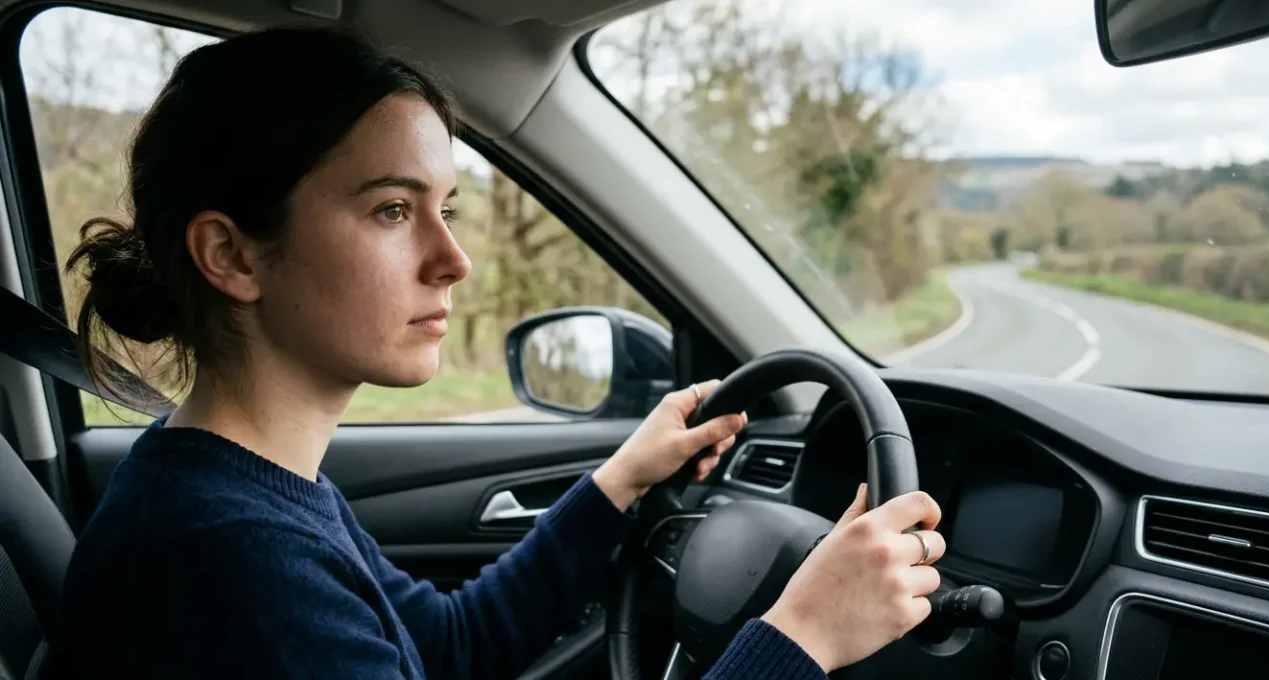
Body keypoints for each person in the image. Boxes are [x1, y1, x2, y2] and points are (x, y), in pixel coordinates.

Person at [51, 27, 946, 680]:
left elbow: (445, 649)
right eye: (392, 211)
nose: (455, 260)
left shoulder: (243, 487)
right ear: (233, 255)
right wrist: (800, 640)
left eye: (448, 208)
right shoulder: (229, 558)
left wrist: (616, 486)